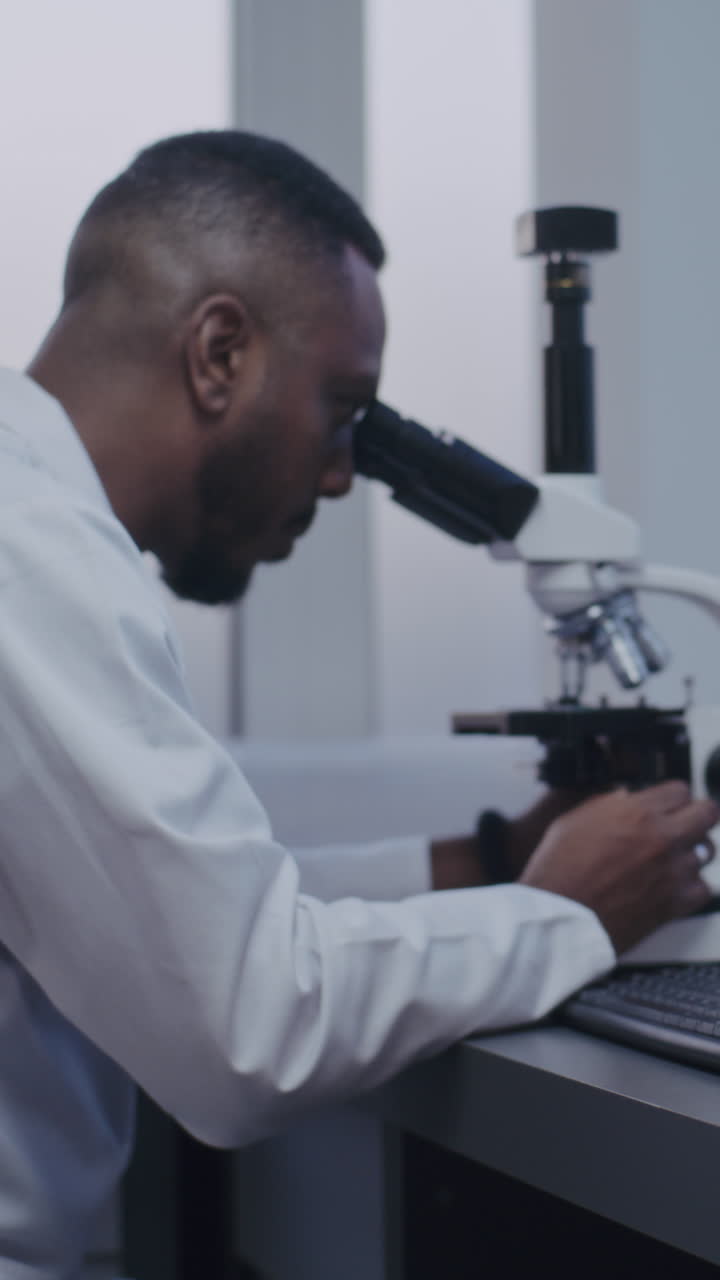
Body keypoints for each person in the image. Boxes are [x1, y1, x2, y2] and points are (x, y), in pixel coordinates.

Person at [0, 129, 715, 1274]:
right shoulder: (27, 554)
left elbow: (175, 904)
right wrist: (567, 913)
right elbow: (248, 1026)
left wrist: (488, 859)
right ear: (218, 350)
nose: (341, 474)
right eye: (343, 409)